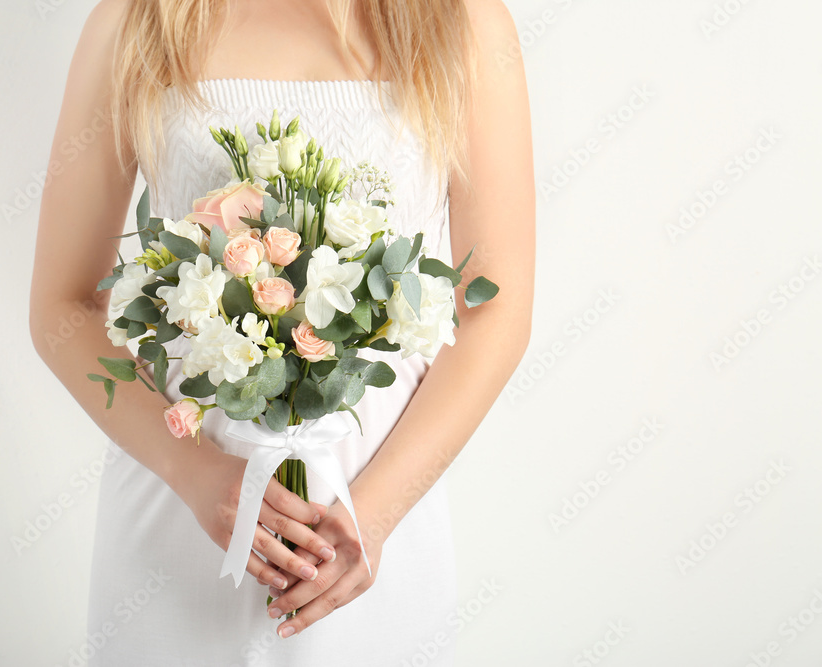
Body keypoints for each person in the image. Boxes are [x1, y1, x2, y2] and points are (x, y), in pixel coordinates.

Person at [29, 0, 534, 664]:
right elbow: (63, 310)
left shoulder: (463, 23)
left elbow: (495, 310)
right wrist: (194, 472)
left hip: (370, 530)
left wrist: (371, 515)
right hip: (177, 519)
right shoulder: (139, 20)